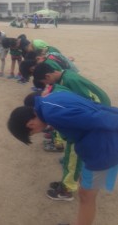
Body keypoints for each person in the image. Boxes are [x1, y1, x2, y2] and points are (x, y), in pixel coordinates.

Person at [8, 91, 118, 225]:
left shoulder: (52, 114)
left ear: (30, 125)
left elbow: (97, 118)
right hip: (99, 145)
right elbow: (92, 106)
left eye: (33, 133)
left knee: (86, 197)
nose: (38, 132)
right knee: (85, 189)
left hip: (103, 150)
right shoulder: (51, 99)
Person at [33, 62, 111, 201]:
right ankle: (67, 180)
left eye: (45, 82)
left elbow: (89, 102)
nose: (47, 86)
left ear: (48, 75)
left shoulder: (70, 80)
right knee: (71, 154)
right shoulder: (65, 77)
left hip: (94, 120)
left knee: (74, 155)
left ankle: (67, 189)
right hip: (90, 120)